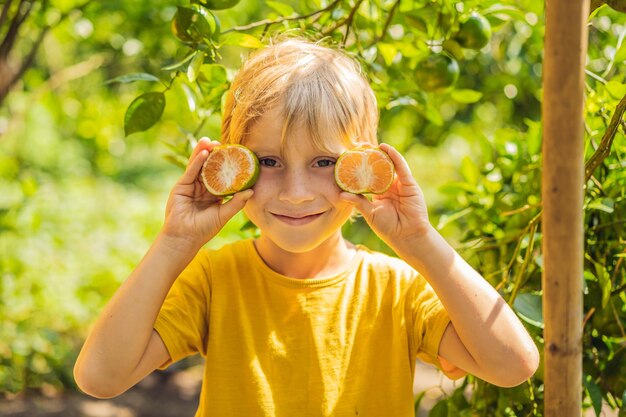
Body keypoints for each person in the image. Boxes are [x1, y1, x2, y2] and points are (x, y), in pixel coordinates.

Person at [74, 37, 539, 416]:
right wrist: (174, 242)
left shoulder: (398, 289)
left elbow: (513, 364)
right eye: (270, 161)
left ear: (367, 164)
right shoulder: (213, 281)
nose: (295, 192)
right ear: (231, 164)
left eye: (323, 161)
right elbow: (100, 377)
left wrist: (420, 242)